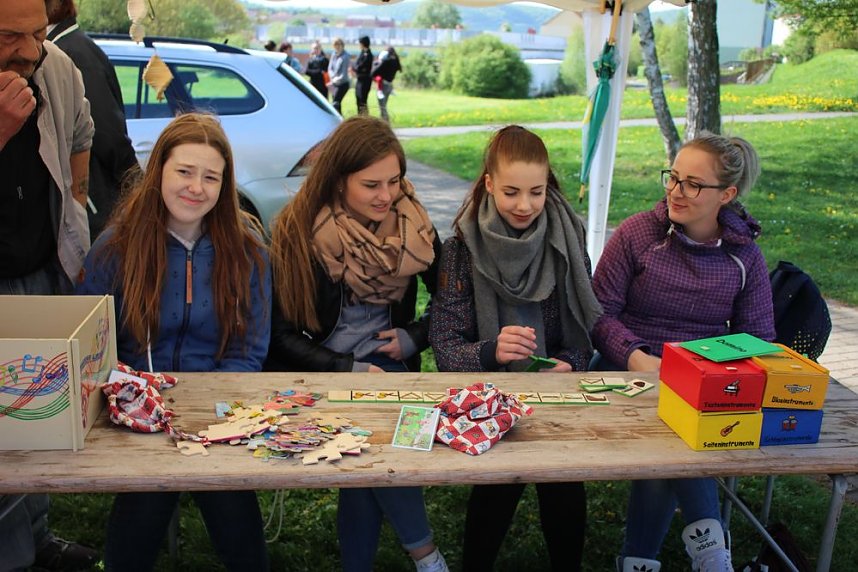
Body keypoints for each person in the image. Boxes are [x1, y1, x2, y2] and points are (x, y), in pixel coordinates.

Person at [76, 113, 272, 571]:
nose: (196, 187)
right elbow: (91, 344)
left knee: (235, 514)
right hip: (136, 410)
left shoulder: (250, 253)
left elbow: (251, 349)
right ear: (159, 169)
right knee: (141, 513)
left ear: (225, 185)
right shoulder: (114, 248)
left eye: (211, 177)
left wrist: (207, 412)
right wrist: (134, 398)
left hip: (217, 412)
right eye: (184, 171)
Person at [265, 115, 447, 572]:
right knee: (366, 441)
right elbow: (280, 337)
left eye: (395, 181)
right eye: (371, 185)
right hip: (327, 372)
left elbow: (452, 301)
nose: (387, 196)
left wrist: (414, 337)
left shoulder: (413, 226)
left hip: (393, 370)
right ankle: (426, 555)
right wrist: (347, 369)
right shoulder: (298, 232)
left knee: (382, 447)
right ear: (339, 180)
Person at [591, 132, 775, 572]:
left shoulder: (744, 257)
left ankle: (640, 560)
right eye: (673, 178)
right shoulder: (639, 233)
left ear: (726, 195)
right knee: (675, 430)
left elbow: (760, 339)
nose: (675, 191)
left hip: (702, 378)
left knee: (679, 425)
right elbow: (598, 316)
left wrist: (701, 369)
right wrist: (638, 357)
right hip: (628, 369)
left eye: (693, 184)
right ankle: (711, 554)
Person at [430, 125, 602, 572]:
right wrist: (492, 352)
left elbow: (585, 331)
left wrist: (569, 363)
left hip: (556, 394)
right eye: (510, 192)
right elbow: (445, 345)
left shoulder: (566, 239)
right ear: (488, 183)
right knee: (497, 484)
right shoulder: (460, 250)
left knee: (564, 481)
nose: (524, 205)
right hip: (489, 395)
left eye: (536, 192)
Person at [0, 0, 96, 569]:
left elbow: (81, 130)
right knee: (4, 433)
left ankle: (35, 539)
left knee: (41, 416)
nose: (32, 50)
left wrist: (76, 206)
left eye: (39, 33)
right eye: (12, 36)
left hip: (43, 272)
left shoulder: (55, 66)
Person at [45, 0, 140, 240]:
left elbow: (106, 131)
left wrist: (137, 185)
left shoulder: (73, 53)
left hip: (94, 203)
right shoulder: (67, 46)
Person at [370, 45, 401, 124]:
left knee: (382, 106)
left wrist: (379, 62)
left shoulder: (386, 61)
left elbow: (374, 72)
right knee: (384, 105)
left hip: (383, 85)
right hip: (390, 85)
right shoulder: (396, 61)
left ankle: (386, 122)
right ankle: (383, 122)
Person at [327, 37, 350, 115]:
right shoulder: (334, 54)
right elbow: (330, 68)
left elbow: (343, 74)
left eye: (339, 45)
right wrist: (332, 77)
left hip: (342, 84)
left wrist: (333, 80)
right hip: (334, 84)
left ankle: (339, 121)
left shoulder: (345, 56)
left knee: (335, 103)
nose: (337, 47)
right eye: (335, 45)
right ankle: (339, 121)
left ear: (342, 45)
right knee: (337, 104)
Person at [351, 35, 372, 116]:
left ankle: (364, 117)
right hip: (359, 80)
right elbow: (357, 65)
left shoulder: (368, 55)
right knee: (358, 99)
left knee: (363, 101)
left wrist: (356, 68)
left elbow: (360, 66)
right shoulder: (362, 53)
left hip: (365, 81)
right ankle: (360, 116)